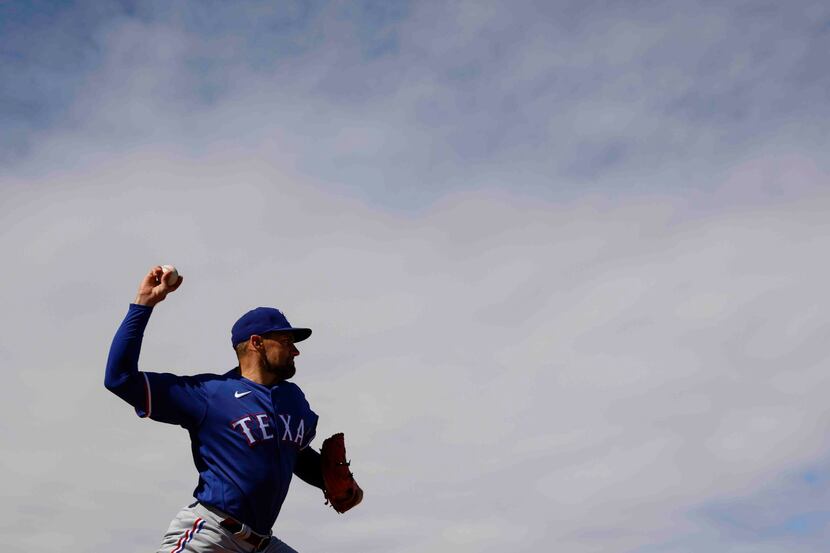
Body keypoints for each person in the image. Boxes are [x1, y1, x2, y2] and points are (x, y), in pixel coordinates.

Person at [105, 266, 361, 553]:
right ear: (256, 343)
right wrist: (144, 303)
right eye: (287, 341)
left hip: (262, 544)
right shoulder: (208, 394)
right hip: (212, 535)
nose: (296, 350)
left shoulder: (294, 399)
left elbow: (294, 455)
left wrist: (331, 480)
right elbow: (119, 379)